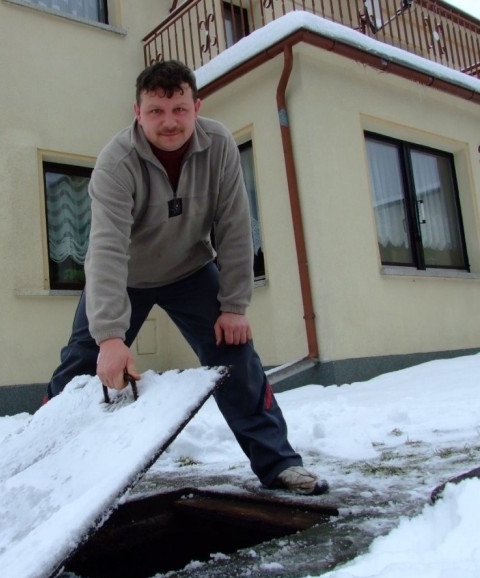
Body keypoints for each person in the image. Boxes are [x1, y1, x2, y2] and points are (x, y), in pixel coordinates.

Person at [46, 60, 328, 496]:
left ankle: (280, 464)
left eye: (179, 109)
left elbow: (235, 227)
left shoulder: (218, 146)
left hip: (191, 270)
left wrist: (234, 305)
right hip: (125, 276)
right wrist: (109, 336)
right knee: (81, 372)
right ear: (137, 113)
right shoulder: (115, 162)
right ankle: (41, 463)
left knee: (239, 359)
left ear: (196, 106)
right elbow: (105, 250)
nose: (169, 121)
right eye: (156, 111)